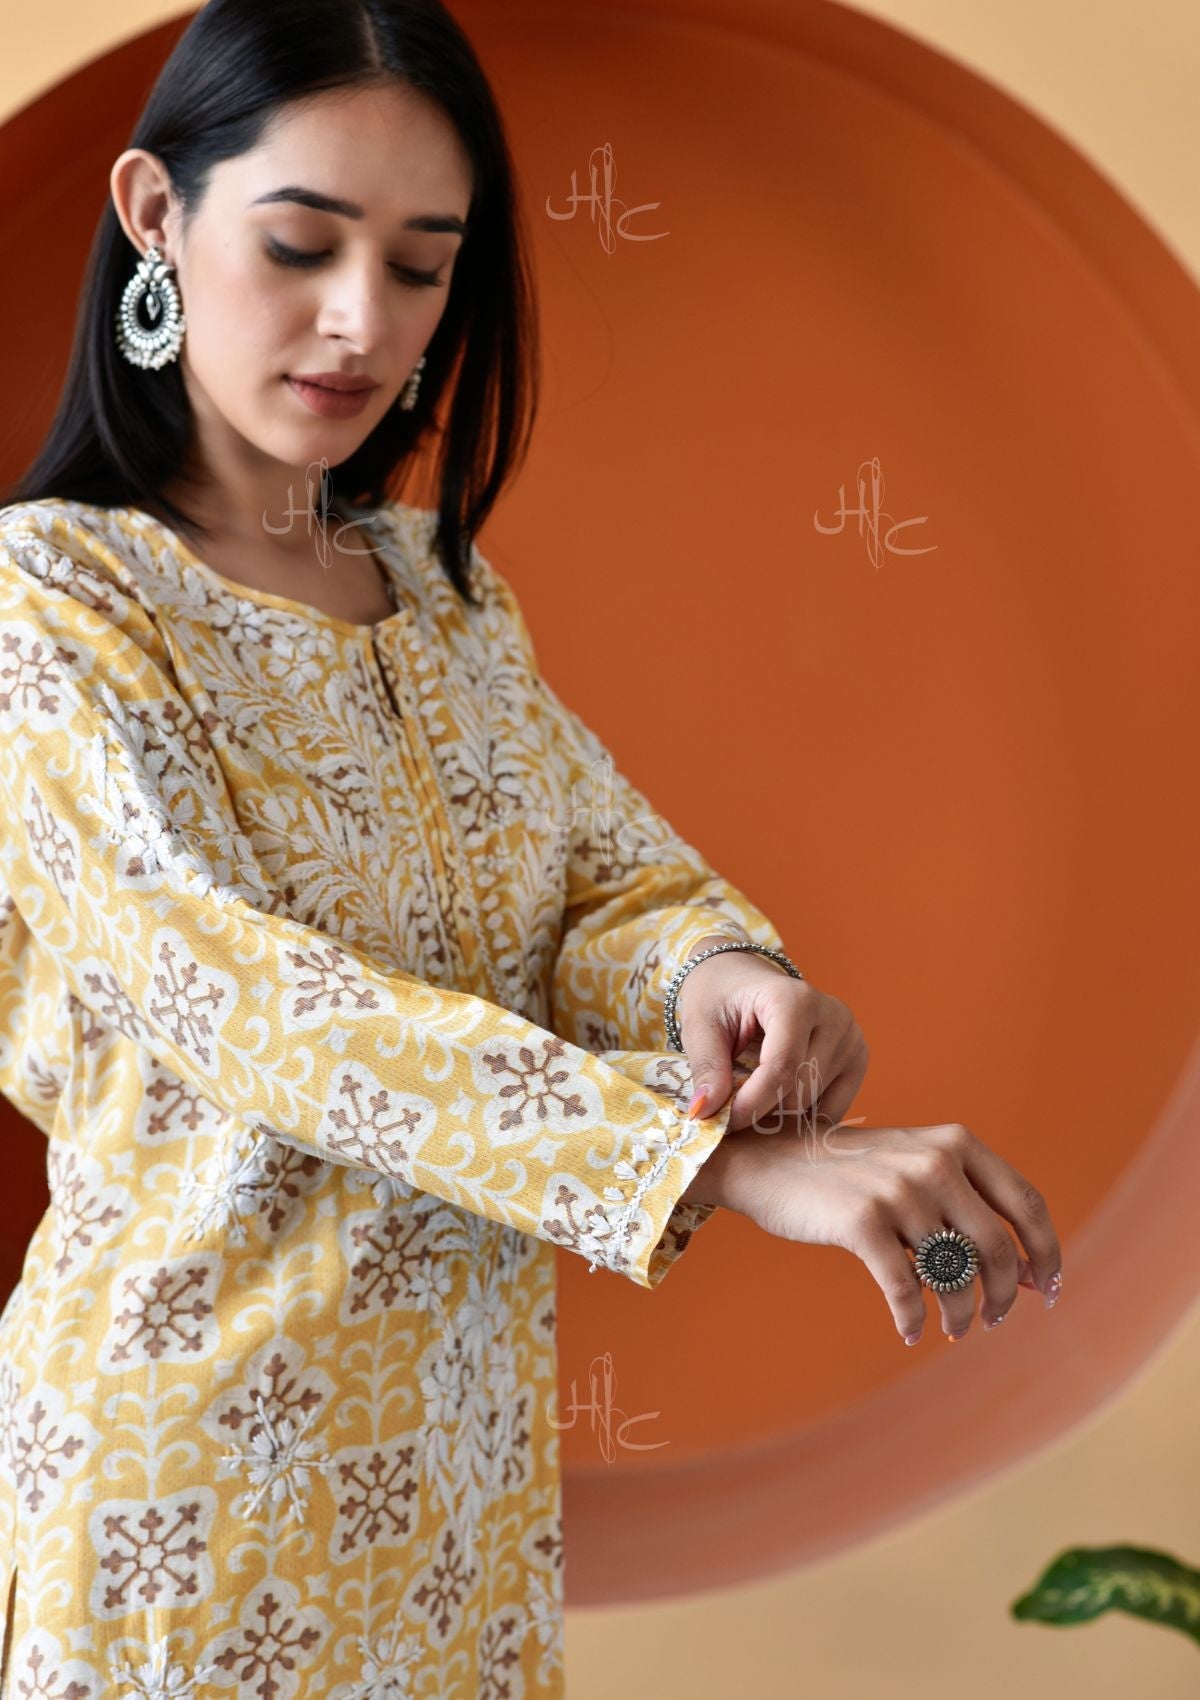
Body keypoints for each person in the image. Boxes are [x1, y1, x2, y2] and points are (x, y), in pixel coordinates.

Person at [0, 0, 1062, 1691]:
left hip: (464, 1499)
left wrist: (717, 978)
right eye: (301, 244)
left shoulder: (442, 594)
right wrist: (715, 1161)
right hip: (184, 1499)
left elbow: (592, 882)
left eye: (423, 265)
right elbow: (251, 1006)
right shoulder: (48, 610)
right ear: (155, 215)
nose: (364, 320)